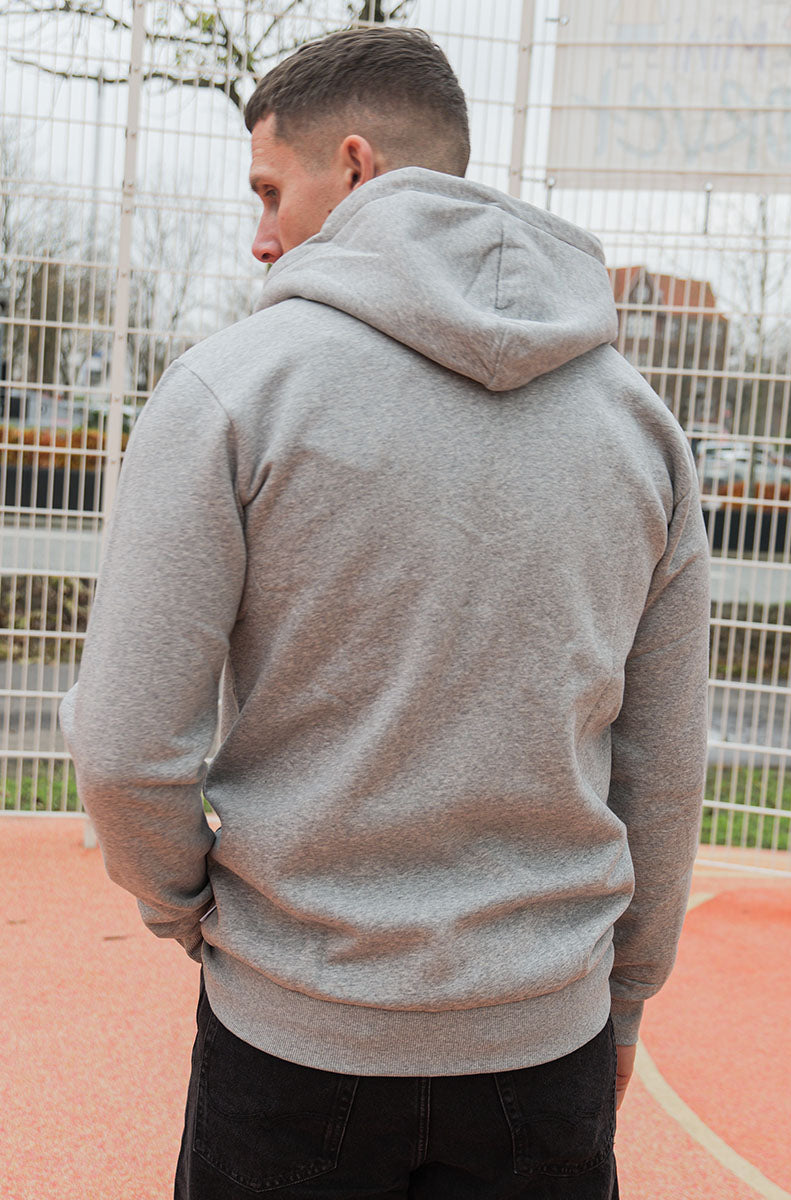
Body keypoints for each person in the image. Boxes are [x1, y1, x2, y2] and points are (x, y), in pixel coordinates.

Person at [60, 25, 710, 1200]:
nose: (258, 233)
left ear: (354, 167)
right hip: (542, 1044)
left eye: (270, 189)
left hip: (292, 1028)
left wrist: (196, 914)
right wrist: (621, 999)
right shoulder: (636, 425)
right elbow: (661, 770)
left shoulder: (231, 391)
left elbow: (122, 748)